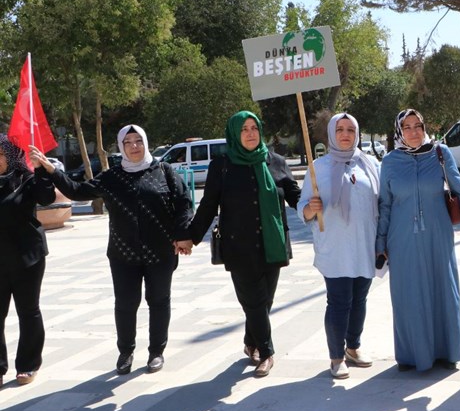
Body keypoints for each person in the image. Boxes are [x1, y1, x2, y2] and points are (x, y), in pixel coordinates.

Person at [35, 125, 193, 375]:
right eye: (128, 142)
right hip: (123, 254)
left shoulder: (164, 171)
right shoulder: (112, 177)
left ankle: (156, 352)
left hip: (161, 252)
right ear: (121, 147)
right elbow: (77, 191)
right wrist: (52, 170)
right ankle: (126, 352)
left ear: (146, 142)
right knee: (126, 303)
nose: (134, 146)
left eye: (138, 140)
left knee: (159, 301)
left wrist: (183, 235)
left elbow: (184, 202)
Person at [189, 111, 301, 378]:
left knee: (265, 301)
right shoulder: (223, 165)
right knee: (254, 301)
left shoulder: (275, 161)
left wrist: (315, 205)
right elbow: (207, 206)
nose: (251, 133)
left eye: (254, 128)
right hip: (238, 246)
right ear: (234, 134)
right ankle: (266, 351)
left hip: (273, 242)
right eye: (244, 129)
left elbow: (295, 195)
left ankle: (251, 341)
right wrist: (190, 237)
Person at [376, 109, 460, 372]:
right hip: (402, 238)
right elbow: (385, 204)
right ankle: (410, 355)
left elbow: (459, 188)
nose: (413, 132)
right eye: (406, 127)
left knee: (443, 288)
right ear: (399, 131)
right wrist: (380, 244)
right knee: (408, 294)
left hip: (438, 235)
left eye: (418, 125)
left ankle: (447, 350)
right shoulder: (390, 162)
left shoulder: (440, 154)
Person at [298, 113, 380, 380]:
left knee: (359, 300)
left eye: (351, 130)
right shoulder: (317, 168)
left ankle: (353, 348)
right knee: (339, 302)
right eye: (340, 129)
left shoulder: (370, 164)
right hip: (334, 247)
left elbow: (380, 202)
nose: (345, 135)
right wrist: (311, 207)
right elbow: (303, 209)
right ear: (332, 134)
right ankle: (336, 356)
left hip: (364, 244)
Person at [1, 137, 55, 386]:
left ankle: (28, 365)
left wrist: (42, 169)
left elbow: (46, 199)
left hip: (27, 258)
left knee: (28, 311)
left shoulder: (26, 180)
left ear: (11, 155)